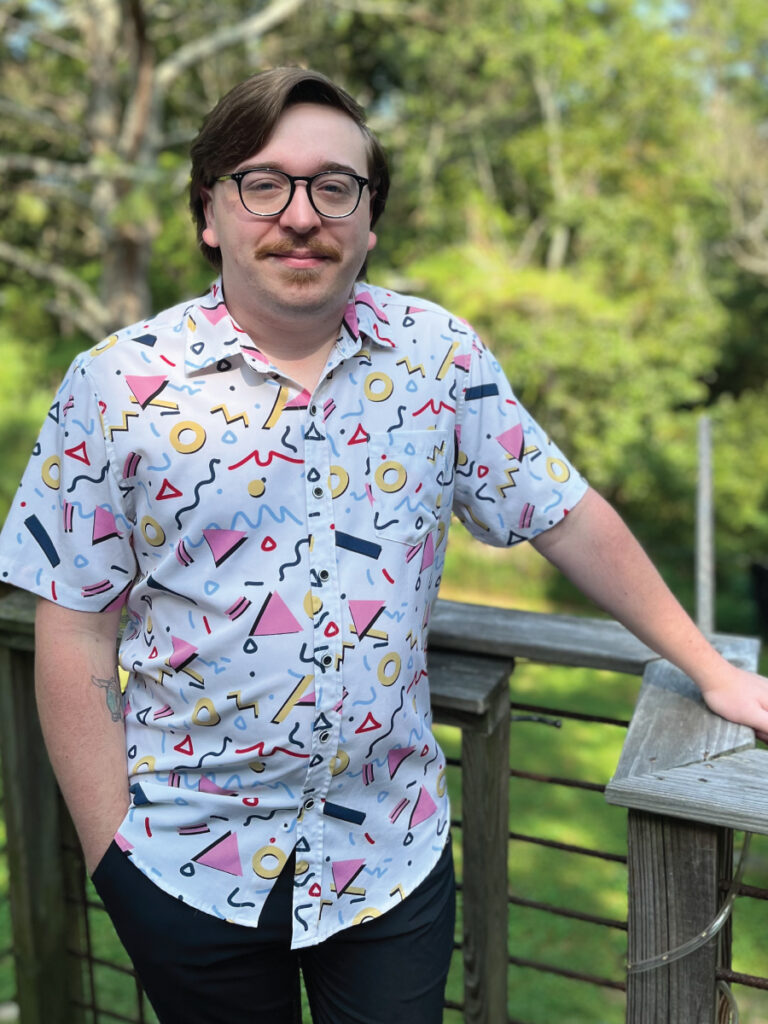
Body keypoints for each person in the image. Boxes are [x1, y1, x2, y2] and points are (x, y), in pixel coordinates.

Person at [1, 65, 768, 1024]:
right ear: (209, 213)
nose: (300, 215)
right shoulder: (114, 385)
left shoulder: (438, 357)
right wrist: (110, 853)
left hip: (388, 859)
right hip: (183, 864)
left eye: (335, 186)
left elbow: (565, 514)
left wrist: (711, 668)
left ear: (368, 220)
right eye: (263, 183)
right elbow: (74, 627)